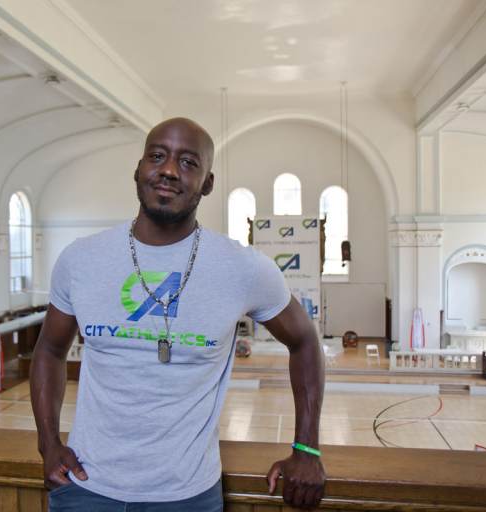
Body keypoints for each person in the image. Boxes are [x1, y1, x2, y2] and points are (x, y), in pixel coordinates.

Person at [30, 117, 326, 511]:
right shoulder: (81, 260)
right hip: (86, 487)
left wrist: (306, 447)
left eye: (188, 162)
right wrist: (47, 443)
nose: (169, 170)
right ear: (138, 169)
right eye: (157, 156)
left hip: (187, 495)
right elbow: (49, 351)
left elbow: (305, 341)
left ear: (207, 183)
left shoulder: (243, 268)